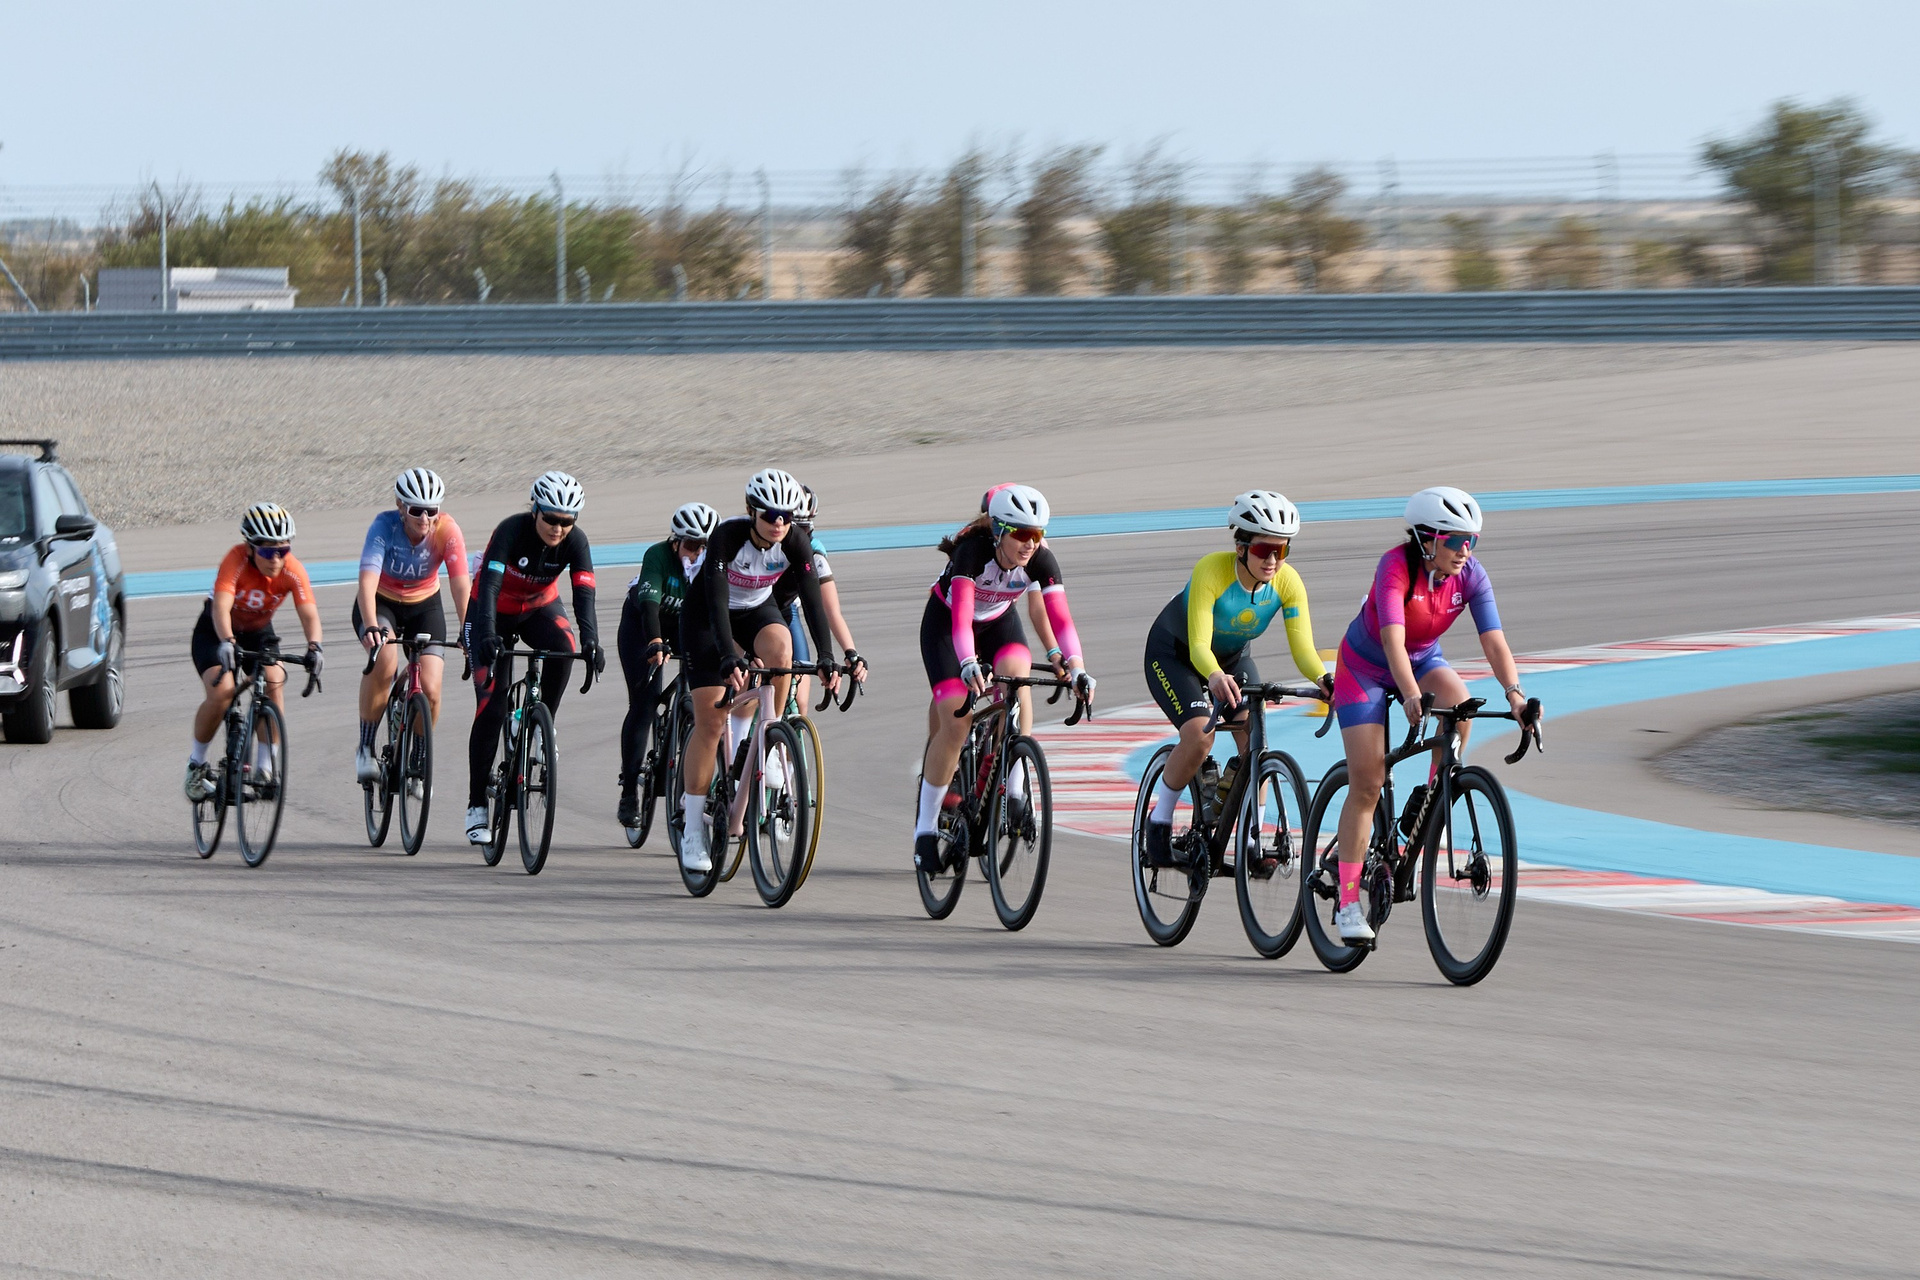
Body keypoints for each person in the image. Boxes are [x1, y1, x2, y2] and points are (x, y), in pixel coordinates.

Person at [1329, 486, 1537, 943]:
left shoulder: (1471, 575)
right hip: (1365, 669)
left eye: (1472, 541)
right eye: (1457, 541)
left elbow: (1494, 640)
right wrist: (1409, 695)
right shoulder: (1395, 566)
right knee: (1368, 782)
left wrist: (1516, 697)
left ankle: (1428, 798)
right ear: (1427, 539)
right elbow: (1392, 640)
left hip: (1422, 660)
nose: (1466, 551)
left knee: (1461, 706)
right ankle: (1347, 903)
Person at [1139, 491, 1331, 871]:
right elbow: (1198, 645)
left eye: (1281, 550)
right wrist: (1212, 675)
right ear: (1241, 547)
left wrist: (1324, 678)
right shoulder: (1211, 570)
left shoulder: (1288, 583)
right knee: (1200, 736)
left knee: (1254, 739)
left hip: (1232, 659)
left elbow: (1303, 649)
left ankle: (1250, 841)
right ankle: (1158, 825)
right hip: (1176, 655)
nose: (1273, 560)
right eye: (1263, 550)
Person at [913, 484, 1094, 875]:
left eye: (1038, 533)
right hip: (947, 625)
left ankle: (1014, 788)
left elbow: (1060, 617)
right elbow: (961, 618)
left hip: (998, 622)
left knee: (1018, 677)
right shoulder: (972, 552)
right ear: (998, 531)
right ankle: (924, 829)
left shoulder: (1041, 559)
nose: (1032, 543)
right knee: (956, 722)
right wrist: (967, 662)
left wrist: (1077, 666)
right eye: (1023, 534)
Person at [676, 468, 841, 874]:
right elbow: (716, 602)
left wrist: (825, 654)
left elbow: (812, 600)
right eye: (770, 515)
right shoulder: (727, 538)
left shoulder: (795, 541)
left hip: (755, 610)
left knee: (782, 647)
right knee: (712, 721)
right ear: (751, 510)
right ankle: (692, 827)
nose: (779, 523)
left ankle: (768, 738)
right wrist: (727, 655)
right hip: (707, 617)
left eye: (786, 516)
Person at [463, 471, 604, 844]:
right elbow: (489, 586)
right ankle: (476, 806)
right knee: (492, 706)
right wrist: (487, 634)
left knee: (566, 648)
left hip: (538, 607)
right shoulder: (511, 530)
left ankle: (543, 725)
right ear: (535, 511)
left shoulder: (576, 541)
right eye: (551, 519)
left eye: (567, 521)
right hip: (491, 610)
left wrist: (591, 640)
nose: (558, 528)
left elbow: (584, 595)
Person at [183, 503, 324, 800]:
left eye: (283, 551)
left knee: (274, 679)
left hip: (258, 632)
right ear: (250, 548)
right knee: (222, 691)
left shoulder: (292, 570)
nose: (276, 559)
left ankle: (266, 767)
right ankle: (196, 764)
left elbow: (309, 614)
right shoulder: (235, 561)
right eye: (267, 552)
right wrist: (227, 641)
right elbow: (221, 607)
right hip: (216, 631)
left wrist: (315, 647)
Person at [352, 468, 469, 784]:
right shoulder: (384, 526)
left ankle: (418, 756)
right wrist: (371, 625)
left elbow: (460, 584)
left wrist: (467, 628)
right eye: (417, 510)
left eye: (432, 510)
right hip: (381, 604)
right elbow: (366, 583)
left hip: (424, 606)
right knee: (385, 662)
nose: (425, 518)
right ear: (400, 506)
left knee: (430, 687)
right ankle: (365, 748)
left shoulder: (447, 530)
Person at [615, 500, 716, 828]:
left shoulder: (713, 562)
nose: (697, 553)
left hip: (687, 628)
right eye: (691, 545)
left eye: (704, 546)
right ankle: (629, 792)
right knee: (644, 706)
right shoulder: (657, 556)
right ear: (675, 542)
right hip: (644, 625)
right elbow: (649, 606)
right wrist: (655, 641)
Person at [779, 483, 867, 709]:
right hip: (749, 613)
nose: (799, 537)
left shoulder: (814, 552)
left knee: (799, 701)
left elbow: (830, 611)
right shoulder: (761, 546)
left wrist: (851, 653)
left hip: (786, 612)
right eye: (794, 528)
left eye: (805, 529)